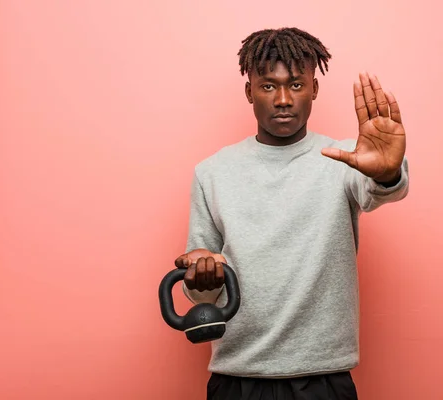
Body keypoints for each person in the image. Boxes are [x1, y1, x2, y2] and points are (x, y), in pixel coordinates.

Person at [174, 27, 409, 399]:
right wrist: (201, 275)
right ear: (249, 92)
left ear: (314, 90)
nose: (283, 99)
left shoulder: (345, 159)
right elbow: (199, 286)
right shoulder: (212, 172)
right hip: (238, 375)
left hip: (323, 376)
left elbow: (382, 190)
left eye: (296, 85)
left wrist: (387, 172)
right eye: (268, 86)